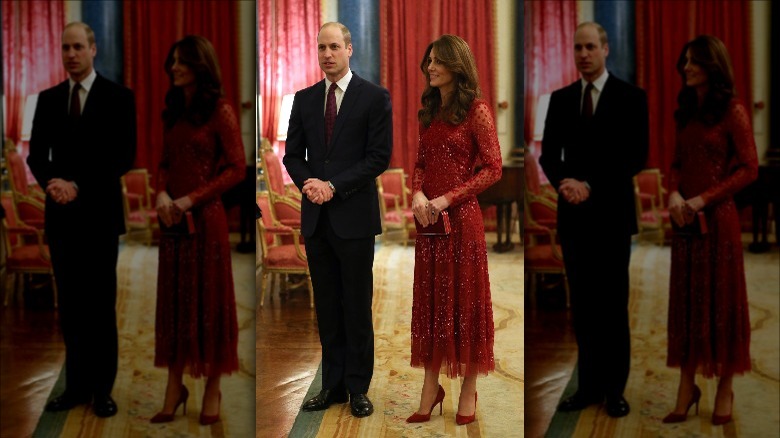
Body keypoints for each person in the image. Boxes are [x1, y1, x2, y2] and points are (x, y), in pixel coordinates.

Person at [283, 22, 392, 418]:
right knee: (327, 307)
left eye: (334, 47)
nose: (327, 54)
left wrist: (333, 185)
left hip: (354, 219)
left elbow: (378, 157)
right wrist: (310, 185)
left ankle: (358, 387)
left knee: (356, 306)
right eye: (321, 48)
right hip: (317, 220)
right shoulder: (304, 98)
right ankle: (332, 385)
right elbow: (292, 155)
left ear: (349, 49)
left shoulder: (374, 97)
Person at [539, 21, 648, 418]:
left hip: (612, 217)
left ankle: (614, 389)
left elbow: (636, 156)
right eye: (577, 47)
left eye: (590, 47)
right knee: (583, 307)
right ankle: (587, 386)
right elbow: (548, 154)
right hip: (575, 218)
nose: (583, 54)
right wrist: (566, 183)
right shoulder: (562, 98)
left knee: (612, 306)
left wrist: (590, 184)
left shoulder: (631, 98)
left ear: (605, 50)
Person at [27, 22, 136, 418]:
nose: (70, 54)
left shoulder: (119, 98)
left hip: (99, 218)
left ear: (93, 49)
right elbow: (36, 155)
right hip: (61, 218)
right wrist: (53, 184)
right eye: (65, 48)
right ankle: (75, 386)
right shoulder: (49, 98)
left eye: (77, 47)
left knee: (99, 306)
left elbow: (124, 156)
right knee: (70, 308)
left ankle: (102, 390)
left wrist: (77, 185)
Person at [406, 34, 502, 426]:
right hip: (430, 225)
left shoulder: (476, 110)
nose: (430, 67)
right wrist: (415, 192)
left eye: (438, 61)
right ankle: (431, 389)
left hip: (462, 222)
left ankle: (467, 388)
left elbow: (493, 168)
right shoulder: (429, 110)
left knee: (465, 305)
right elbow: (421, 164)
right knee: (433, 305)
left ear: (456, 65)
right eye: (428, 61)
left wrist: (447, 198)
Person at [150, 35, 245, 425]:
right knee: (175, 303)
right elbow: (165, 162)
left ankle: (211, 387)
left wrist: (191, 199)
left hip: (207, 222)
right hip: (173, 223)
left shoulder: (220, 110)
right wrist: (159, 193)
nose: (174, 67)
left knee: (209, 303)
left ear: (199, 65)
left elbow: (238, 168)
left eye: (181, 61)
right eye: (172, 61)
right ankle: (175, 386)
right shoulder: (173, 109)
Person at [662, 35, 757, 426]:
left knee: (722, 302)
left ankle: (724, 387)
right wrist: (671, 194)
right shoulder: (685, 110)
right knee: (687, 302)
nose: (686, 67)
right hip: (686, 222)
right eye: (684, 61)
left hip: (720, 221)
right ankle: (687, 386)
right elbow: (678, 162)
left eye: (693, 61)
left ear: (711, 65)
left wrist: (703, 199)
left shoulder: (733, 111)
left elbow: (750, 169)